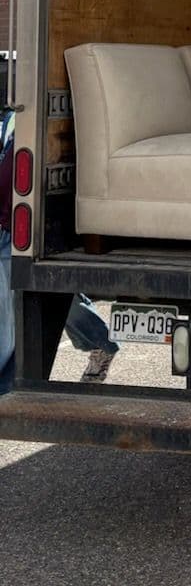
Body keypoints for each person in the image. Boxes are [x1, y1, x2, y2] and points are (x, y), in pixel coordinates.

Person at [0, 112, 119, 394]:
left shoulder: (33, 112)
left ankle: (5, 387)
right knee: (54, 292)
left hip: (26, 225)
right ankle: (101, 340)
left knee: (18, 303)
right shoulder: (10, 119)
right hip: (12, 223)